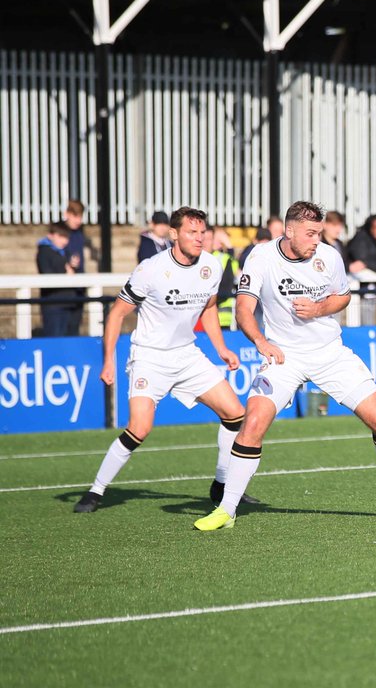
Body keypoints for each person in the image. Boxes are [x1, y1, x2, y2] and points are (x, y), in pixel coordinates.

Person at [194, 201, 376, 531]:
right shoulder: (261, 257)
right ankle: (227, 509)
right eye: (310, 233)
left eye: (319, 233)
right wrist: (261, 341)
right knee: (253, 424)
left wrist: (319, 309)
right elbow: (243, 309)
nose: (316, 240)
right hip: (283, 357)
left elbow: (343, 296)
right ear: (289, 231)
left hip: (330, 354)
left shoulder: (329, 256)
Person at [73, 207, 255, 514]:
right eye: (191, 232)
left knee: (235, 414)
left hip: (187, 355)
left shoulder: (211, 265)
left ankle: (221, 484)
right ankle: (96, 491)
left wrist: (221, 348)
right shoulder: (151, 269)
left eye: (202, 232)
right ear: (173, 234)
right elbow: (117, 314)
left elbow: (209, 308)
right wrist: (108, 361)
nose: (199, 238)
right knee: (139, 429)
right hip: (150, 357)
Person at [35, 221, 76, 337]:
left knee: (66, 337)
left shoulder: (64, 252)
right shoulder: (44, 252)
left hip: (66, 301)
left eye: (66, 237)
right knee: (53, 336)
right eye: (61, 236)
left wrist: (72, 267)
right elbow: (46, 272)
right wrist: (65, 272)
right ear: (51, 235)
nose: (65, 241)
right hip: (52, 302)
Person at [203, 225, 239, 330]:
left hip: (221, 318)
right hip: (197, 320)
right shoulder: (191, 259)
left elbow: (225, 289)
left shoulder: (223, 259)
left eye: (209, 239)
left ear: (213, 241)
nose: (205, 243)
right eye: (203, 239)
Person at [62, 200, 88, 335]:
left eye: (80, 216)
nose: (79, 220)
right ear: (67, 214)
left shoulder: (79, 233)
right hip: (64, 288)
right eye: (75, 216)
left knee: (75, 326)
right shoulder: (60, 231)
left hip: (79, 285)